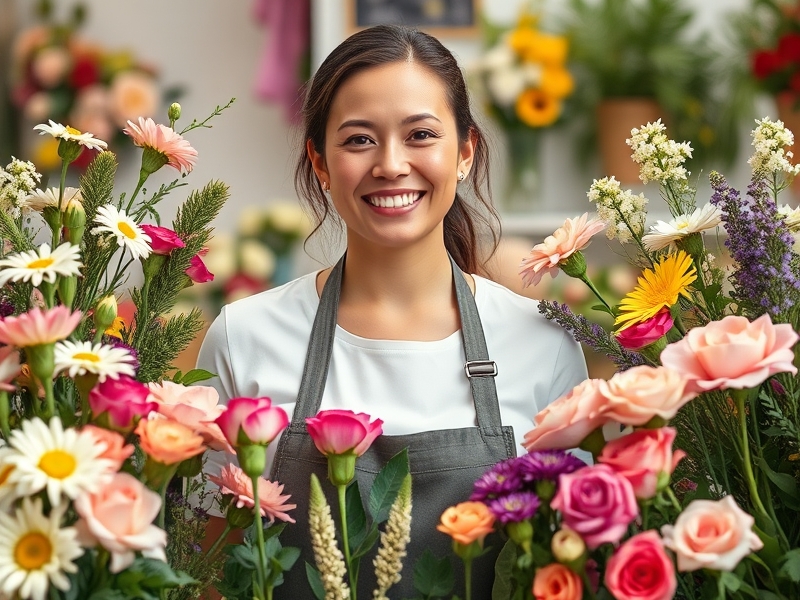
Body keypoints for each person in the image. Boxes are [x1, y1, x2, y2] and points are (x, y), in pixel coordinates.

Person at [197, 23, 588, 599]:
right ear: (321, 162)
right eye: (358, 140)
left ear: (465, 152)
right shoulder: (245, 336)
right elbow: (211, 575)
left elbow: (569, 564)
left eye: (421, 134)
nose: (391, 165)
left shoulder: (541, 342)